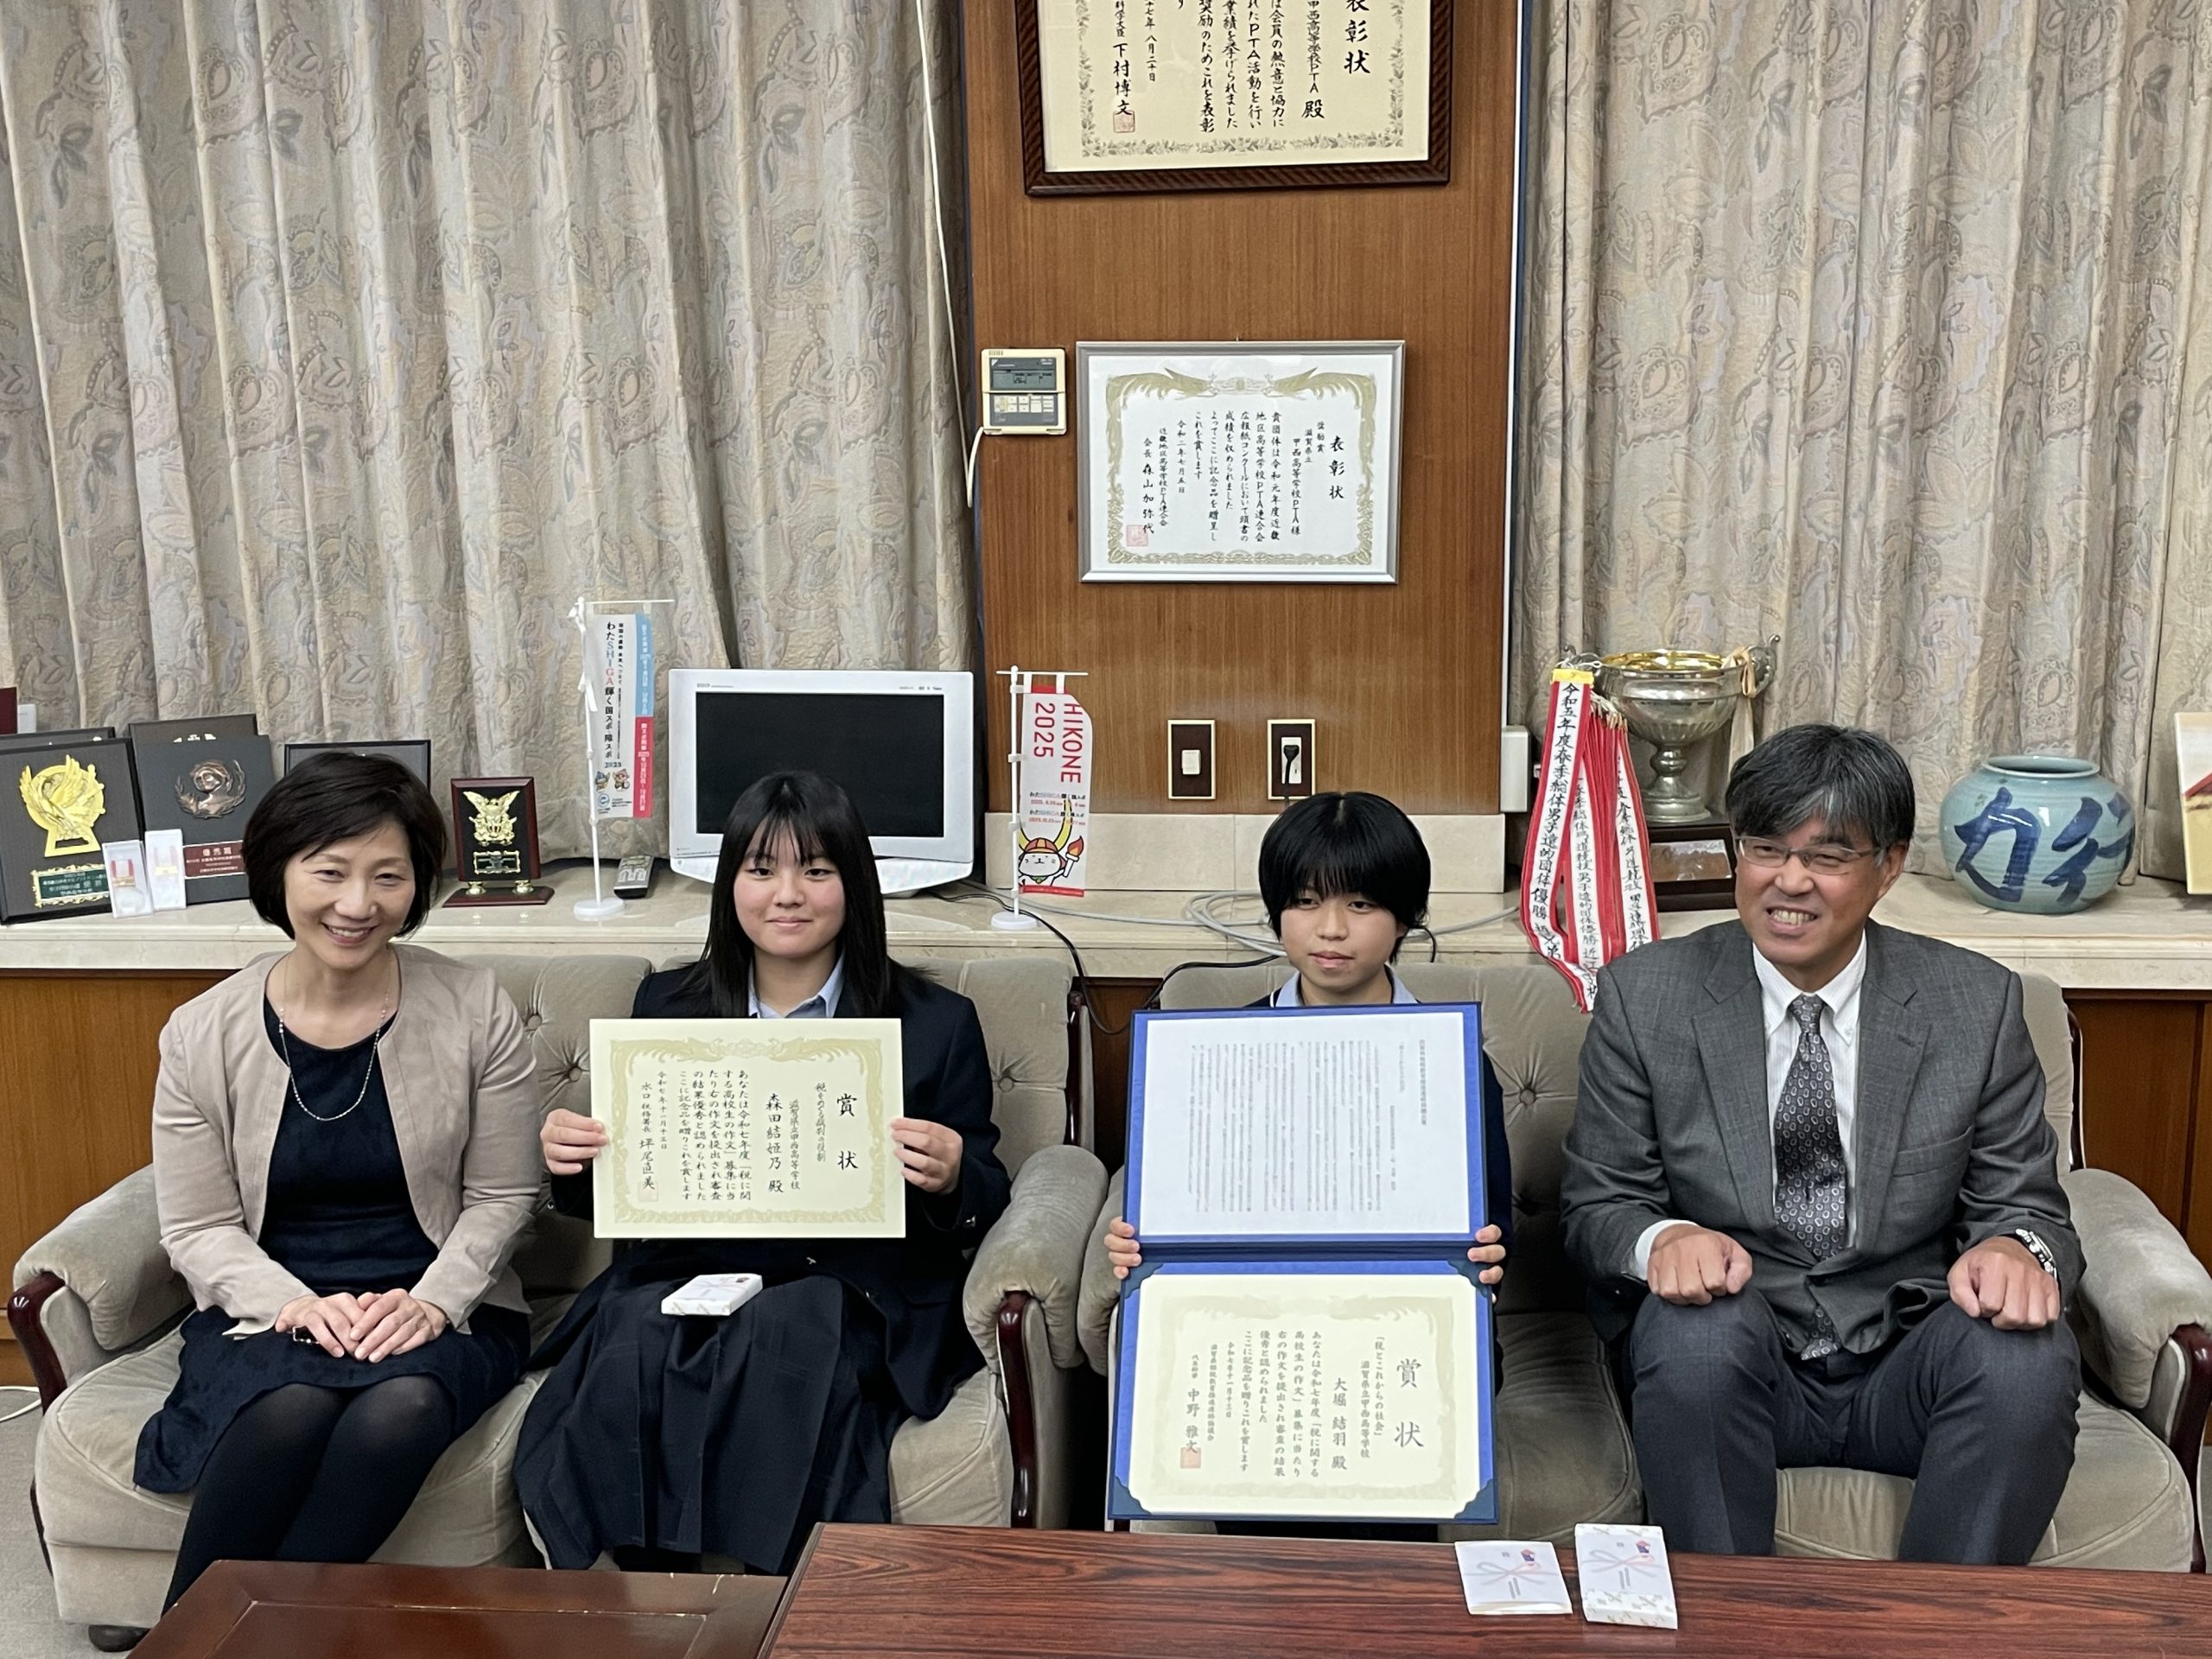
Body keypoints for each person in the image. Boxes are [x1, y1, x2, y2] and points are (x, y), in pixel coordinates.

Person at [1560, 723, 2081, 1564]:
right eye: (1765, 849)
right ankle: (1727, 1625)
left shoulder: (1974, 1005)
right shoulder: (1645, 998)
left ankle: (1946, 1627)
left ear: (1889, 865)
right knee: (1693, 1332)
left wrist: (2017, 1250)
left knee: (2026, 1353)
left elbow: (2025, 1205)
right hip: (1740, 1361)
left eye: (1828, 856)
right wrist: (1664, 1240)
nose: (1789, 881)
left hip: (1908, 1360)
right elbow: (1599, 1203)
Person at [518, 771, 1012, 1574]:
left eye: (816, 870)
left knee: (794, 1329)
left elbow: (988, 1192)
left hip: (849, 1286)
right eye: (760, 870)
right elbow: (623, 1182)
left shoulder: (935, 1023)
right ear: (730, 886)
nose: (787, 894)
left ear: (855, 884)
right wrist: (572, 1159)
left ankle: (772, 1597)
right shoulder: (666, 1006)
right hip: (685, 1272)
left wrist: (954, 1173)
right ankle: (644, 1597)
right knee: (640, 1333)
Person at [136, 753, 541, 1611]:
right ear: (277, 872)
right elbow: (198, 1227)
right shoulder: (200, 1034)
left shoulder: (476, 1008)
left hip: (435, 1298)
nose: (358, 904)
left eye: (388, 877)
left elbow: (503, 1196)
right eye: (330, 872)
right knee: (287, 1407)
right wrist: (292, 1306)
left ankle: (238, 1638)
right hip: (272, 1302)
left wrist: (434, 1303)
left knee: (401, 1407)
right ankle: (202, 1633)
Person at [1105, 790, 1512, 1287]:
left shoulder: (1454, 1063)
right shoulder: (1216, 1057)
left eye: (1360, 903)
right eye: (1305, 901)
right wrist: (1141, 1244)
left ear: (1405, 917)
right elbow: (1181, 1213)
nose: (1331, 929)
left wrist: (1489, 1258)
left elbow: (1495, 1229)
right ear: (1277, 913)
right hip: (1257, 1307)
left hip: (1403, 1310)